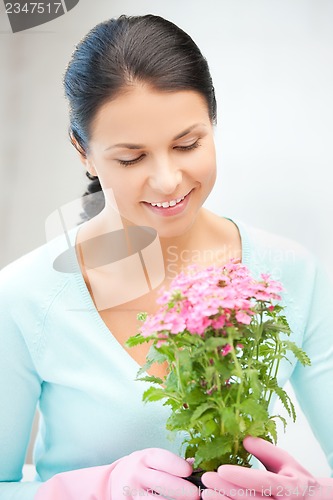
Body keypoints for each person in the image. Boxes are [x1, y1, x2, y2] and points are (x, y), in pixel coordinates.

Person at [0, 13, 332, 500]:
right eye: (130, 158)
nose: (168, 180)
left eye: (188, 144)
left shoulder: (292, 274)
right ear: (83, 152)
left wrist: (311, 493)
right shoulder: (24, 295)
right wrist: (98, 488)